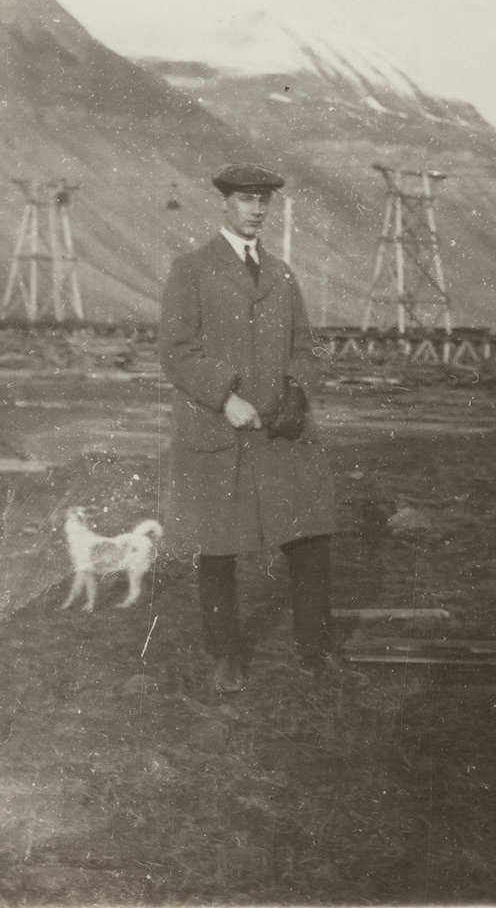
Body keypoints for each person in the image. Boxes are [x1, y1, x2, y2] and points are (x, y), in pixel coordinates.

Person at [160, 163, 342, 694]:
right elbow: (176, 351)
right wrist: (225, 397)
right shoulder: (191, 269)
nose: (257, 209)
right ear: (225, 203)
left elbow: (305, 346)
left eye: (264, 200)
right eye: (246, 199)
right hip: (220, 431)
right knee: (217, 550)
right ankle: (226, 655)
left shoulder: (282, 274)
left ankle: (316, 650)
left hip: (281, 432)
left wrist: (298, 393)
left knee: (310, 541)